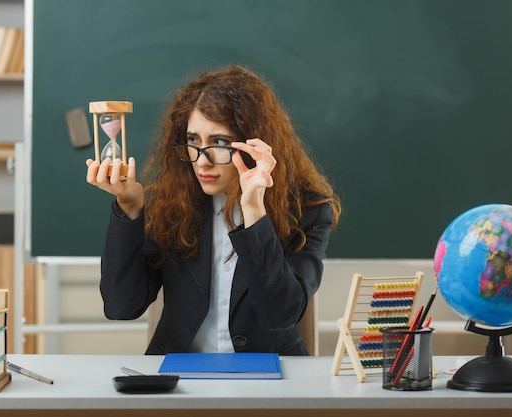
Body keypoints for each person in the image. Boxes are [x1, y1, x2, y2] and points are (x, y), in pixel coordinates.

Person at [85, 65, 341, 355]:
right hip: (180, 379)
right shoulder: (170, 203)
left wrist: (254, 209)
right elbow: (122, 306)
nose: (202, 161)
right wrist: (129, 208)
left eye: (219, 142)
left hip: (271, 378)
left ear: (254, 143)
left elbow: (280, 314)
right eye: (194, 141)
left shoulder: (309, 209)